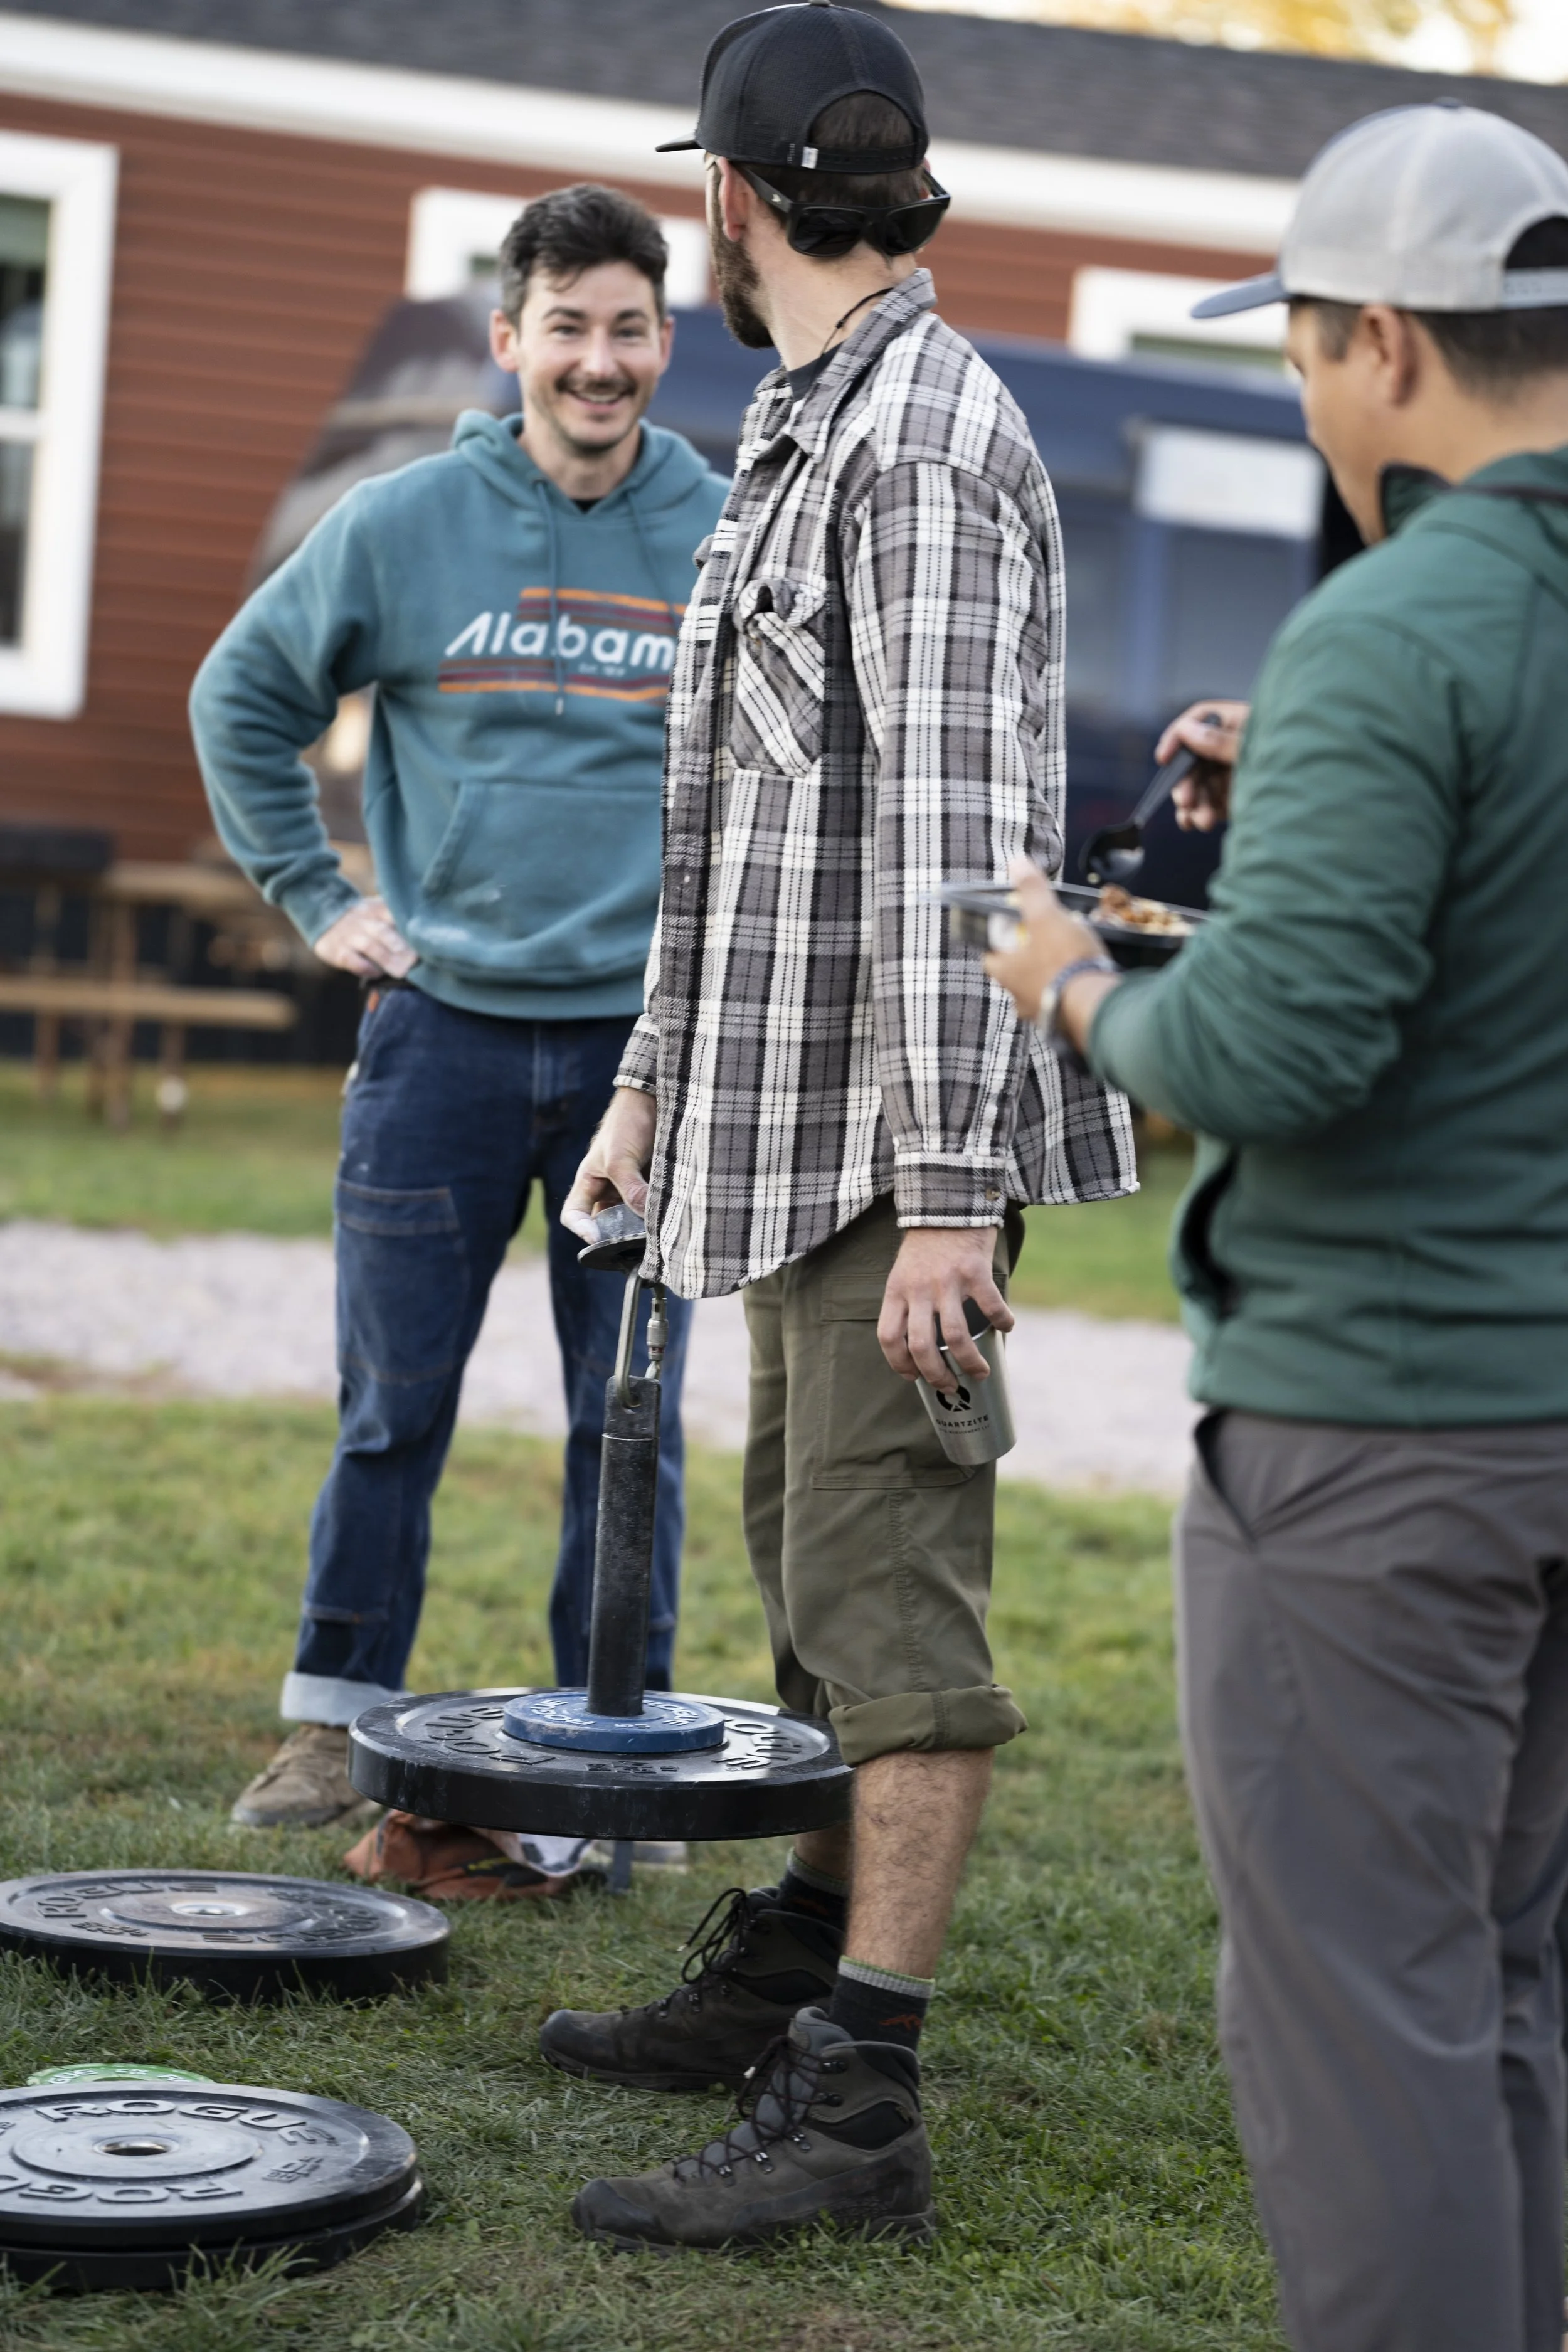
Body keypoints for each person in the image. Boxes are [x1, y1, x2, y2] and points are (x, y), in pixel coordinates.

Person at [538, 1, 1135, 2248]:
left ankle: (858, 2093)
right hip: (779, 1120)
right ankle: (793, 1963)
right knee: (808, 1566)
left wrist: (952, 1200)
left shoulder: (922, 442)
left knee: (891, 1609)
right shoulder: (803, 416)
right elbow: (751, 828)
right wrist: (645, 1082)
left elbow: (964, 845)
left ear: (722, 196)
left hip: (898, 1156)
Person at [986, 103, 1568, 2352]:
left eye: (1305, 351)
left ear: (1389, 344)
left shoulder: (1391, 625)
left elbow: (1270, 1059)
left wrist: (1068, 970)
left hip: (1380, 1434)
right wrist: (1285, 835)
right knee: (1509, 1972)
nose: (1306, 397)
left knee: (1363, 2023)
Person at [189, 185, 728, 1848]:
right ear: (508, 342)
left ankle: (608, 1754)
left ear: (663, 341)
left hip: (640, 1067)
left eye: (628, 326)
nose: (597, 359)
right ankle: (329, 1727)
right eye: (564, 325)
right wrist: (314, 894)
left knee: (621, 1433)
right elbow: (243, 697)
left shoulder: (718, 528)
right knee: (391, 1406)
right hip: (440, 1040)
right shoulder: (404, 520)